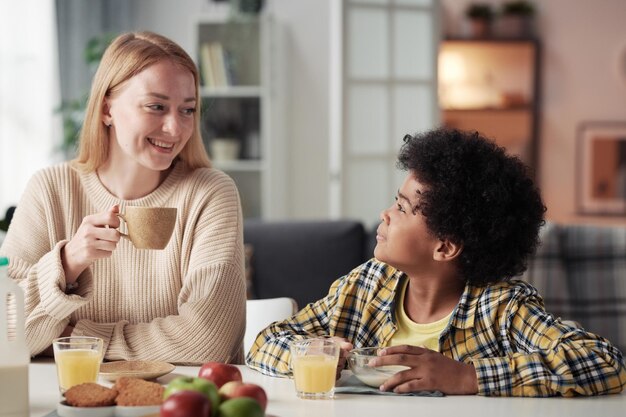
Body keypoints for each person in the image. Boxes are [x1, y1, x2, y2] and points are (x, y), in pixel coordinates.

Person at [246, 128, 626, 396]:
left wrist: (468, 377)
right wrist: (320, 356)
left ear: (445, 247)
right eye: (395, 201)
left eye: (402, 208)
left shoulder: (501, 308)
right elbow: (266, 342)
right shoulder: (365, 285)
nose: (386, 213)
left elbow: (604, 362)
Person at [0, 31, 246, 364]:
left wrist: (75, 339)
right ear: (106, 110)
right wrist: (68, 263)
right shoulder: (50, 189)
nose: (175, 128)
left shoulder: (210, 193)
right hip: (72, 398)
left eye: (187, 110)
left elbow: (206, 341)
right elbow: (8, 331)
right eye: (156, 106)